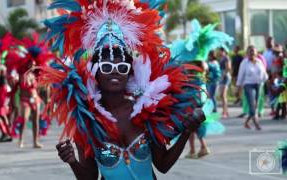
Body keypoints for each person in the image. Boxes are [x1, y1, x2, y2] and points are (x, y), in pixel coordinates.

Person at [42, 1, 232, 178]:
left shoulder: (144, 110)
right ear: (95, 73)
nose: (114, 73)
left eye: (122, 67)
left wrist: (187, 132)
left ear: (130, 72)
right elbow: (90, 176)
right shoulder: (88, 119)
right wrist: (72, 161)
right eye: (106, 67)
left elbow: (162, 165)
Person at [237, 45, 268, 130]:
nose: (252, 54)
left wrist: (266, 81)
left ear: (256, 53)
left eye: (253, 52)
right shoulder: (244, 63)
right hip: (248, 85)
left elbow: (264, 74)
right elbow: (240, 76)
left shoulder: (259, 62)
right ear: (247, 53)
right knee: (252, 104)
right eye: (250, 52)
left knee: (256, 105)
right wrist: (238, 88)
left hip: (258, 84)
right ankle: (256, 123)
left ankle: (246, 122)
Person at [218, 47, 232, 118]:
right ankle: (226, 111)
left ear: (224, 51)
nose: (219, 52)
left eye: (220, 51)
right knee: (221, 95)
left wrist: (224, 74)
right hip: (221, 77)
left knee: (223, 95)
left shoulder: (226, 58)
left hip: (225, 77)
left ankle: (224, 112)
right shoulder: (221, 58)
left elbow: (228, 68)